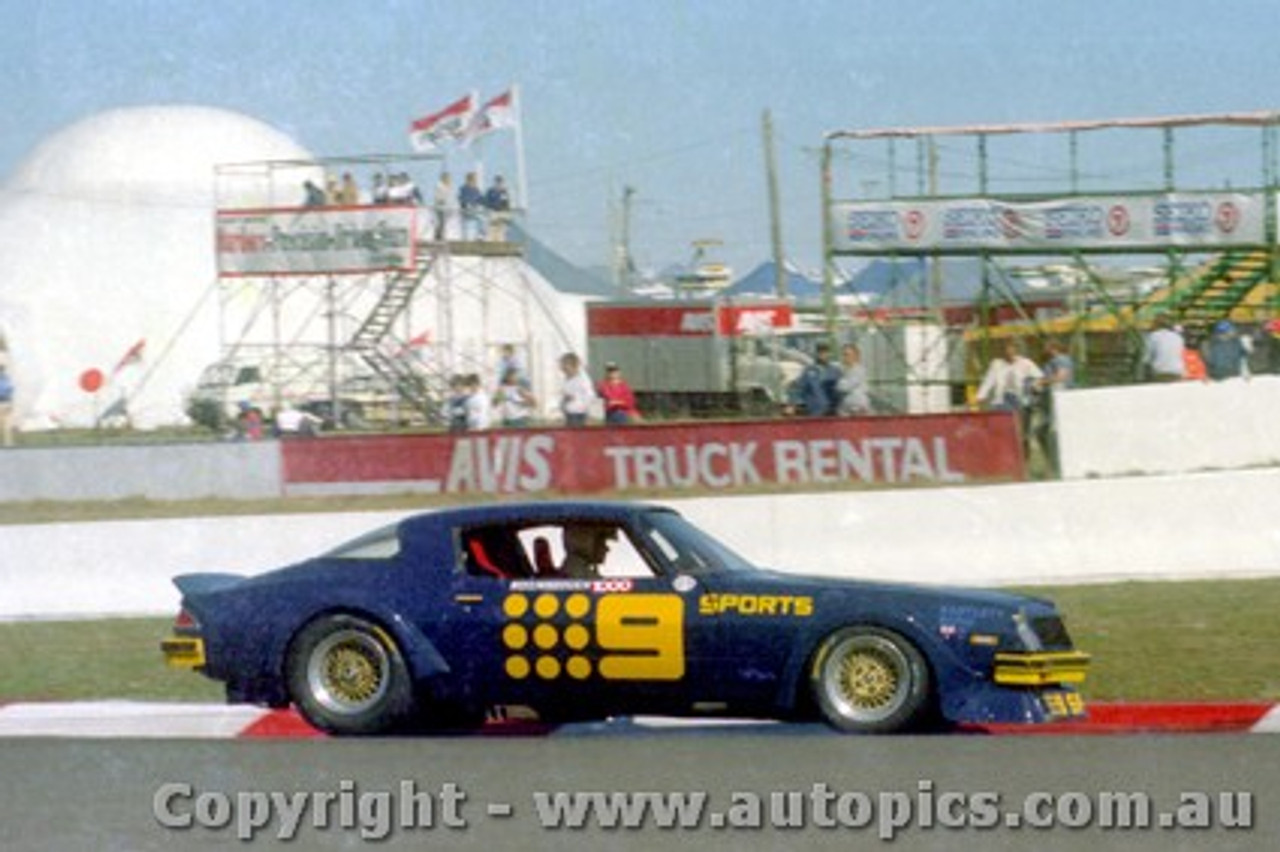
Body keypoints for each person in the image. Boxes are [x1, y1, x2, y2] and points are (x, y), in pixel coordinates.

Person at [1034, 339, 1074, 477]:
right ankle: (1052, 464)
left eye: (1046, 347)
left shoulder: (1061, 359)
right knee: (1041, 431)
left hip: (1058, 399)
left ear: (1052, 348)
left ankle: (1055, 466)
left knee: (1051, 432)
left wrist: (1042, 382)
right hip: (1049, 402)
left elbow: (1062, 377)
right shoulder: (1050, 362)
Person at [788, 341, 840, 416]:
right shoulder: (809, 371)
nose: (823, 355)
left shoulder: (835, 371)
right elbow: (799, 388)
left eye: (825, 352)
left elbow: (840, 390)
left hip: (832, 411)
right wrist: (792, 405)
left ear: (829, 354)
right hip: (815, 411)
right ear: (817, 354)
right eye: (820, 352)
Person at [559, 352, 596, 427]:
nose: (562, 368)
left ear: (572, 365)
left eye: (564, 366)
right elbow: (566, 396)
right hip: (569, 414)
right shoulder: (567, 379)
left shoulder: (582, 379)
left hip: (578, 415)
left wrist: (582, 407)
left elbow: (590, 395)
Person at [1144, 313, 1185, 382]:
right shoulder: (1178, 337)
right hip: (1178, 371)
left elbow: (1146, 358)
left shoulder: (1153, 336)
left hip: (1160, 372)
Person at [835, 343, 871, 416]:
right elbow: (839, 387)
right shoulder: (844, 370)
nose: (844, 357)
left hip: (858, 410)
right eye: (843, 354)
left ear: (855, 356)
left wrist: (840, 383)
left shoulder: (859, 370)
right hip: (846, 411)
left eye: (847, 354)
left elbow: (844, 387)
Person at [458, 172, 485, 240]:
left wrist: (485, 203)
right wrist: (466, 204)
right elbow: (460, 198)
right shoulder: (463, 189)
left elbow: (481, 199)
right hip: (465, 211)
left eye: (473, 180)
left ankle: (480, 236)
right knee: (464, 223)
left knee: (482, 219)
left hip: (474, 210)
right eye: (471, 180)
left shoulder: (476, 189)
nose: (472, 182)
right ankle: (464, 238)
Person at [484, 175, 512, 241]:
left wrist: (507, 213)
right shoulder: (490, 191)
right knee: (492, 228)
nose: (499, 184)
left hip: (501, 212)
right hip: (493, 212)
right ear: (495, 182)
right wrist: (492, 206)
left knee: (501, 229)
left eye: (500, 182)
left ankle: (501, 241)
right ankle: (490, 242)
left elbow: (506, 203)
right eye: (497, 182)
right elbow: (487, 202)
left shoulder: (504, 192)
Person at [433, 172, 455, 240]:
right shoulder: (439, 186)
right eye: (448, 178)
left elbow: (451, 196)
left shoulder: (450, 186)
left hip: (447, 207)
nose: (449, 180)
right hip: (440, 206)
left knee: (443, 222)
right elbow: (438, 197)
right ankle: (438, 236)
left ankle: (441, 235)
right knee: (441, 221)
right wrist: (442, 200)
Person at [0, 364, 14, 447]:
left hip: (2, 401)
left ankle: (6, 442)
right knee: (7, 423)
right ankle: (8, 442)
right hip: (7, 401)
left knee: (2, 422)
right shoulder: (7, 379)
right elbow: (11, 389)